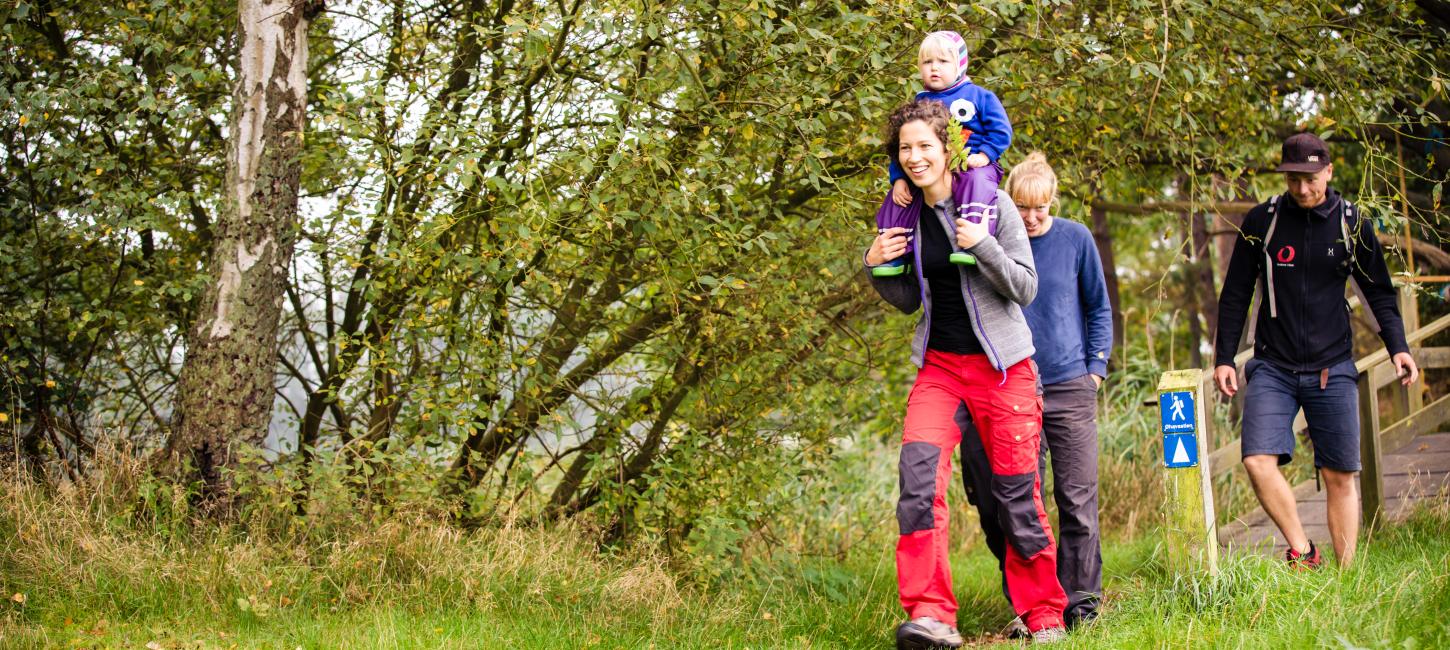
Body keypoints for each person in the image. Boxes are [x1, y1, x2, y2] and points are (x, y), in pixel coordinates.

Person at [865, 99, 1067, 648]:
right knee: (917, 483)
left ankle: (1044, 613)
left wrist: (981, 248)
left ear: (948, 148)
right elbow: (909, 299)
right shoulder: (905, 216)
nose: (914, 156)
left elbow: (1024, 287)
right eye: (905, 148)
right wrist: (875, 263)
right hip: (941, 369)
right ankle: (932, 616)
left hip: (1005, 370)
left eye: (924, 146)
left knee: (1015, 494)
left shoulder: (994, 204)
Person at [1213, 132, 1420, 568]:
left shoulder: (1352, 223)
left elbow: (1378, 293)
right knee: (1257, 460)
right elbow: (1235, 294)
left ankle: (1346, 580)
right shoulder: (1262, 222)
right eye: (1293, 179)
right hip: (1272, 365)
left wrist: (1398, 348)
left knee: (1340, 475)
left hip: (1333, 367)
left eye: (1311, 178)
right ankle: (1304, 552)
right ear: (1284, 177)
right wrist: (1224, 358)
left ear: (1328, 170)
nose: (1303, 189)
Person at [957, 152, 1112, 634]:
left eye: (1040, 206)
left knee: (1076, 496)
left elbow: (1098, 307)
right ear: (1008, 204)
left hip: (1069, 385)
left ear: (1053, 202)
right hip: (1009, 386)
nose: (1031, 216)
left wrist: (1095, 370)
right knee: (1012, 500)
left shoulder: (1075, 239)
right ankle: (1029, 604)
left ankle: (1081, 602)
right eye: (1022, 206)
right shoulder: (996, 241)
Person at [872, 31, 1013, 277]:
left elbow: (1002, 131)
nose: (934, 68)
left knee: (976, 182)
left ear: (959, 65)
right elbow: (904, 144)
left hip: (973, 163)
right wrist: (899, 178)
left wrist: (985, 155)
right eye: (927, 62)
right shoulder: (920, 102)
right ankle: (896, 254)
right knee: (896, 200)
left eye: (943, 62)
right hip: (933, 170)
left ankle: (971, 245)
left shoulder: (979, 96)